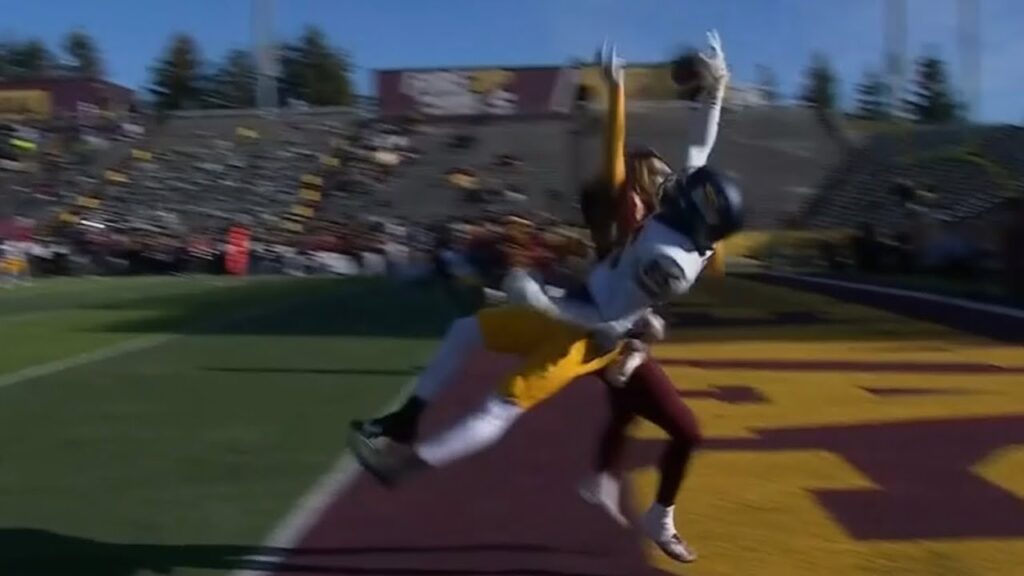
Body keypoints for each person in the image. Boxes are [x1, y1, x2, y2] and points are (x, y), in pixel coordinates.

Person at [348, 31, 741, 532]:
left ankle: (404, 466)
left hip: (589, 332)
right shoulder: (685, 224)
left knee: (502, 404)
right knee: (467, 329)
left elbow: (612, 324)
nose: (674, 184)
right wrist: (717, 88)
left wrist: (545, 303)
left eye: (683, 191)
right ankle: (407, 418)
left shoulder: (669, 259)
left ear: (697, 218)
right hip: (581, 303)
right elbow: (699, 146)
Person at [571, 33, 729, 564]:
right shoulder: (627, 218)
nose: (666, 176)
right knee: (687, 431)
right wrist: (616, 95)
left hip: (624, 328)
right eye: (655, 172)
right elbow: (614, 154)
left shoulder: (669, 213)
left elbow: (700, 149)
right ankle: (660, 516)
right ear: (637, 186)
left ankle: (596, 481)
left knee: (624, 410)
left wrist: (718, 86)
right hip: (607, 329)